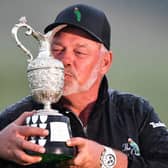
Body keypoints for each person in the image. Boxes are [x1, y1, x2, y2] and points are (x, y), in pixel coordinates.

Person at [0, 4, 168, 168]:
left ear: (105, 62)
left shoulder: (135, 112)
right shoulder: (17, 120)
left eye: (79, 52)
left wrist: (107, 159)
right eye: (58, 49)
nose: (65, 60)